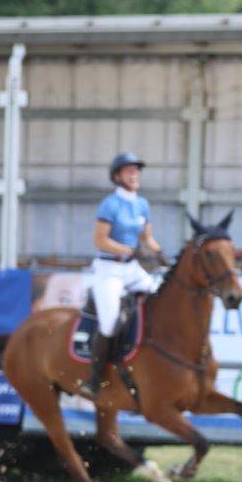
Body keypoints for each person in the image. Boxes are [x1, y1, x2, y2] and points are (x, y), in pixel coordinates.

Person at [78, 152, 162, 399]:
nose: (134, 174)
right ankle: (94, 381)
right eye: (128, 171)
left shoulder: (142, 204)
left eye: (136, 170)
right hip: (109, 270)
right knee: (109, 322)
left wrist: (161, 253)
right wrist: (130, 251)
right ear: (117, 177)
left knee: (161, 297)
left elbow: (147, 237)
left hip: (132, 269)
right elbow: (100, 240)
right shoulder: (110, 204)